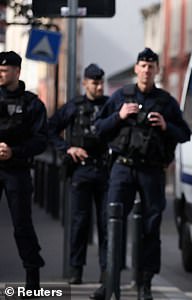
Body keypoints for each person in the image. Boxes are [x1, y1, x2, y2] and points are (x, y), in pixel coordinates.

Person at [91, 48, 191, 300]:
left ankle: (144, 284)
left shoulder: (166, 102)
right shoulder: (120, 97)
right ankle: (107, 280)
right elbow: (99, 129)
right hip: (122, 167)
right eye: (142, 66)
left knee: (150, 226)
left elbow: (185, 134)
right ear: (136, 68)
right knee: (111, 221)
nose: (146, 70)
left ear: (157, 70)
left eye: (151, 66)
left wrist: (166, 125)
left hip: (152, 170)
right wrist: (119, 115)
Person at [47, 63, 109, 284]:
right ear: (85, 83)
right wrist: (67, 148)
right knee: (79, 223)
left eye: (101, 82)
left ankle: (106, 271)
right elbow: (50, 128)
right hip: (81, 170)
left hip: (104, 170)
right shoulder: (74, 106)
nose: (99, 86)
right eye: (95, 82)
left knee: (106, 224)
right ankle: (76, 271)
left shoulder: (110, 105)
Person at [0, 51, 48, 293]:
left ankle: (32, 280)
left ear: (17, 71)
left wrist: (14, 151)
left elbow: (41, 140)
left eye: (4, 70)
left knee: (22, 225)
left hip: (16, 171)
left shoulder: (32, 104)